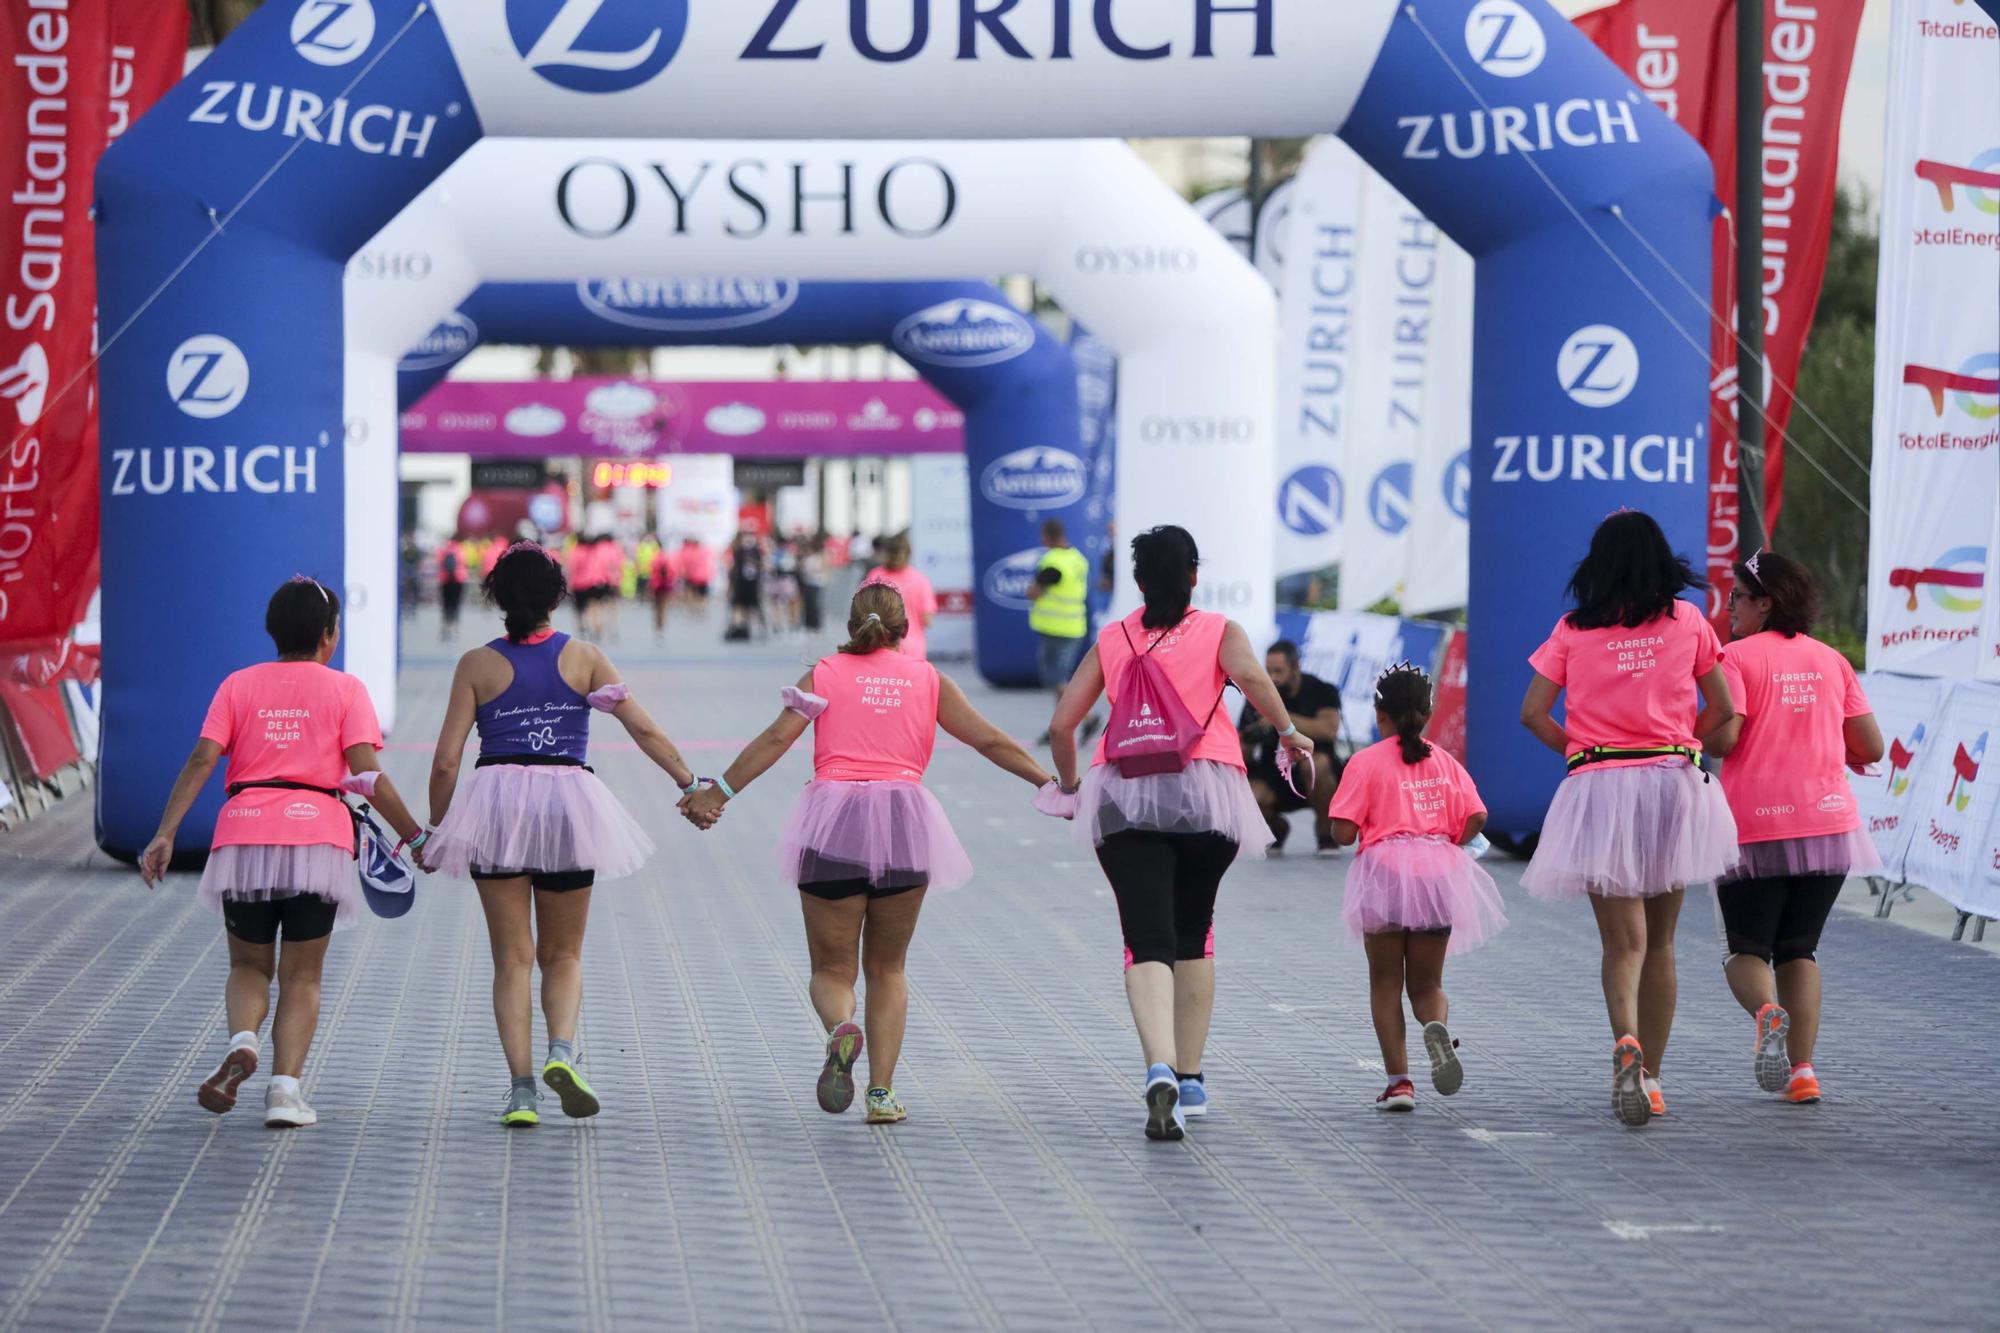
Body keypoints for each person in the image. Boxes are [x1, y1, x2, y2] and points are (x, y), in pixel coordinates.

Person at [680, 582, 1052, 1125]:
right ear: (903, 630)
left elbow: (774, 740)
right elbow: (990, 740)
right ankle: (880, 1095)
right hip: (904, 823)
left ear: (851, 627)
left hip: (832, 825)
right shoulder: (929, 679)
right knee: (888, 969)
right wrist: (1049, 782)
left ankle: (839, 1029)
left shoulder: (825, 674)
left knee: (832, 970)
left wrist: (719, 794)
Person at [425, 542, 702, 1127]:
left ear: (496, 597)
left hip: (495, 807)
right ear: (558, 596)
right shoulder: (585, 658)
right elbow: (642, 728)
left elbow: (447, 761)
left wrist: (437, 829)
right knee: (565, 953)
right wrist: (691, 782)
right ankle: (562, 1051)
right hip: (566, 805)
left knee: (511, 960)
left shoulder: (476, 664)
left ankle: (522, 1091)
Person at [1047, 525, 1309, 1140]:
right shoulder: (1221, 630)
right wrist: (1290, 733)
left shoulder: (1112, 638)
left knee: (1146, 937)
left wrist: (1067, 787)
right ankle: (1190, 1081)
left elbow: (1063, 726)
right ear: (1194, 575)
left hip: (1125, 794)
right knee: (1195, 930)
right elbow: (1255, 683)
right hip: (1209, 795)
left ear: (1137, 583)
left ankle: (1157, 1065)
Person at [140, 577, 428, 1129]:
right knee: (302, 976)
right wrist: (414, 837)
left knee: (248, 964)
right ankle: (284, 1092)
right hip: (315, 837)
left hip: (243, 834)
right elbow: (366, 772)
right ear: (329, 635)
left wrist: (165, 833)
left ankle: (243, 1041)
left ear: (272, 630)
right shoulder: (345, 690)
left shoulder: (238, 684)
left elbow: (203, 759)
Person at [1519, 510, 1738, 1127]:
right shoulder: (1687, 620)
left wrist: (1580, 748)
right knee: (1663, 943)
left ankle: (1624, 1042)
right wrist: (1680, 741)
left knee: (1623, 943)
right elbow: (1721, 707)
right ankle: (1653, 1077)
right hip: (1671, 784)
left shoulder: (1571, 629)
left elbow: (1532, 713)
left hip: (1598, 786)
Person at [1705, 551, 1885, 1106]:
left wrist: (1703, 733)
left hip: (1754, 825)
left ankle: (1766, 1013)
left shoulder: (1733, 658)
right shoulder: (1832, 660)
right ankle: (1802, 1072)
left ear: (1765, 602)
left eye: (1737, 597)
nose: (1730, 606)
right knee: (1800, 951)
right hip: (1828, 821)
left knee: (1746, 950)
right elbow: (1872, 746)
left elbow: (1726, 738)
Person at [1326, 664, 1504, 1111]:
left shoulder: (1366, 762)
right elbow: (1478, 817)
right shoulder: (1445, 762)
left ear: (1379, 713)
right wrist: (1447, 842)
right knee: (1427, 984)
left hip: (1384, 874)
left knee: (1385, 983)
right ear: (1426, 713)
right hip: (1439, 875)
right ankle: (1435, 1026)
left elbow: (1343, 832)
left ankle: (1400, 1082)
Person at [1241, 640, 1344, 855]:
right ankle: (1277, 829)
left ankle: (1326, 834)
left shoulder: (1322, 690)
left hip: (1316, 772)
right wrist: (1247, 740)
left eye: (1279, 671)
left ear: (1296, 666)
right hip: (1275, 773)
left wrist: (1279, 721)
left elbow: (1328, 729)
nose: (1273, 678)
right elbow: (1244, 745)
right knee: (1250, 795)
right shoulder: (1259, 695)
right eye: (1268, 671)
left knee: (1316, 765)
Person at [1030, 519, 1093, 745]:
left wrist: (1032, 591)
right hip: (1075, 625)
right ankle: (1058, 724)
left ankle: (1086, 717)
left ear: (1046, 536)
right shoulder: (1077, 558)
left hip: (1056, 629)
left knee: (1057, 680)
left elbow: (1034, 592)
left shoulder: (1052, 562)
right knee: (1060, 678)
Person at [866, 533, 938, 661]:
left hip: (880, 648)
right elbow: (927, 620)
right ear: (909, 554)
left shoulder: (875, 575)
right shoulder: (920, 580)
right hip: (913, 650)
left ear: (886, 552)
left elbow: (865, 611)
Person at [726, 532, 766, 641]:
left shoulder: (753, 552)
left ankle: (759, 629)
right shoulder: (739, 552)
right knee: (741, 607)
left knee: (752, 608)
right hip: (742, 585)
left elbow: (761, 566)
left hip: (749, 585)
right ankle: (741, 629)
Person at [436, 533, 470, 641]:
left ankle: (445, 627)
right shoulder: (461, 549)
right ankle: (455, 628)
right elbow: (465, 563)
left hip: (445, 580)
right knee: (456, 604)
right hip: (459, 579)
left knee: (446, 604)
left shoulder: (442, 549)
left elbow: (439, 563)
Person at [647, 536, 679, 641]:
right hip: (665, 585)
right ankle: (662, 629)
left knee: (656, 609)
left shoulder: (654, 558)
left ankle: (657, 628)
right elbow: (672, 573)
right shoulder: (667, 557)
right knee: (663, 608)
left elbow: (651, 573)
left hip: (656, 585)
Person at [680, 537, 714, 607]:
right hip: (704, 576)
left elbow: (686, 564)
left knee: (691, 590)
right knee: (701, 593)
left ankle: (692, 606)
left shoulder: (688, 551)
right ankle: (700, 606)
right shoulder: (705, 550)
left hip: (693, 576)